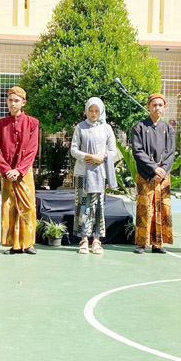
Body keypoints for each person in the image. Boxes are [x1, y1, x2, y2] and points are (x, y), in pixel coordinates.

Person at [0, 86, 39, 255]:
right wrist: (6, 170)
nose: (13, 103)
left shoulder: (33, 123)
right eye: (10, 100)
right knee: (10, 206)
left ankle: (28, 243)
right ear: (7, 102)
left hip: (24, 173)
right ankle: (14, 245)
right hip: (7, 174)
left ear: (23, 103)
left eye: (17, 100)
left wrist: (19, 170)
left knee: (27, 206)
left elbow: (33, 149)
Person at [70, 97, 118, 255]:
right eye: (91, 110)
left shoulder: (107, 128)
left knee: (98, 207)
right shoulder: (80, 127)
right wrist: (89, 157)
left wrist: (102, 157)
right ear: (86, 111)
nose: (94, 113)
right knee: (83, 205)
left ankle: (96, 240)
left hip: (100, 174)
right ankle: (84, 239)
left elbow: (113, 150)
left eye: (97, 110)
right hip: (82, 174)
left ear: (101, 111)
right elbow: (74, 150)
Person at [131, 93, 175, 254]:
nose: (157, 108)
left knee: (161, 207)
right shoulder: (139, 128)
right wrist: (153, 168)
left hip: (163, 176)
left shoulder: (168, 129)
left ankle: (158, 243)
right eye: (154, 105)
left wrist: (162, 170)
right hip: (146, 174)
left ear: (164, 108)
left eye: (160, 105)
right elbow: (138, 151)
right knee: (145, 208)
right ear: (148, 107)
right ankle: (141, 243)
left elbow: (171, 152)